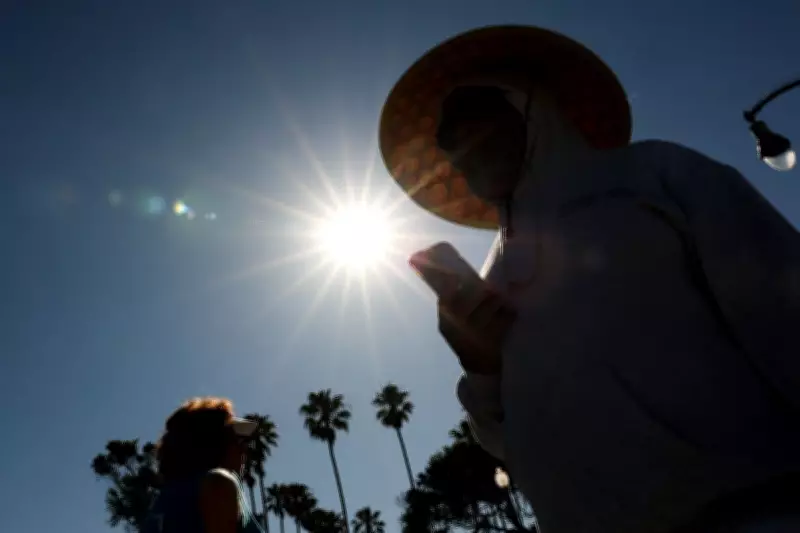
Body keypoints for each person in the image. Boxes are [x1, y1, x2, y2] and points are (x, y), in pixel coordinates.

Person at [378, 25, 800, 533]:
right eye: (448, 138)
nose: (460, 145)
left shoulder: (656, 173)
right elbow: (511, 446)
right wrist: (480, 367)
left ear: (528, 106)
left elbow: (785, 309)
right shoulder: (492, 274)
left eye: (475, 117)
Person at [143, 397, 264, 533]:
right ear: (215, 443)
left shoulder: (162, 502)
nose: (244, 450)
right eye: (237, 440)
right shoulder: (219, 483)